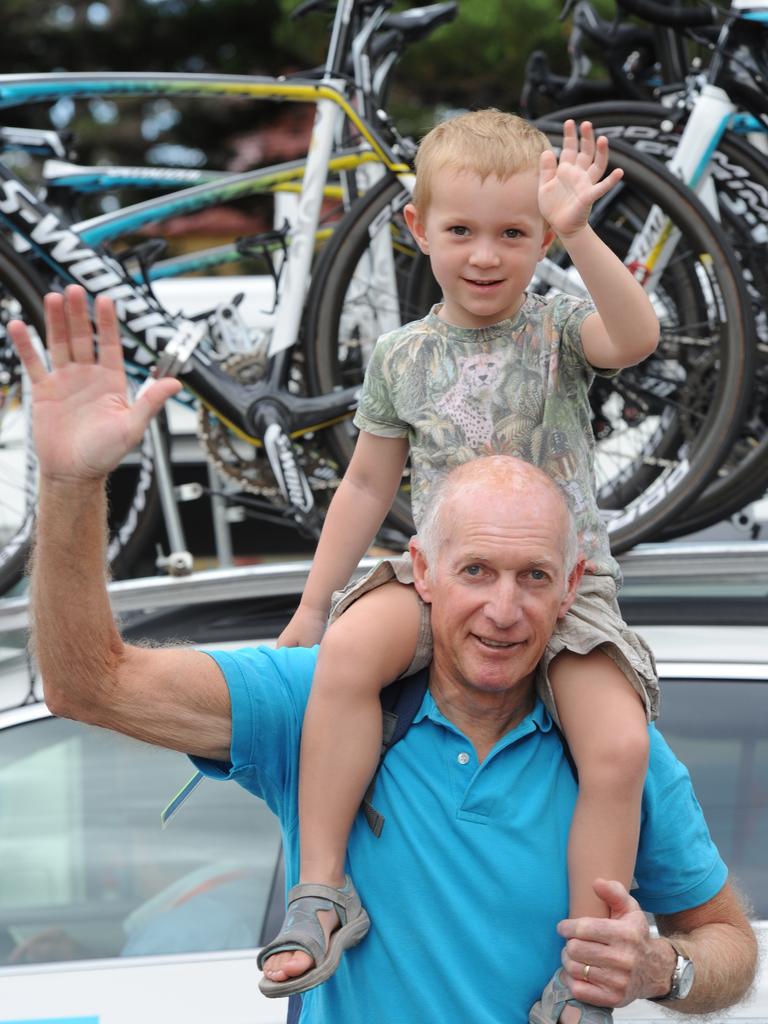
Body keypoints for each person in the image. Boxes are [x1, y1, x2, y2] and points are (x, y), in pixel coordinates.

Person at [9, 290, 758, 1023]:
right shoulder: (322, 700)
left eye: (533, 578)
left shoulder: (615, 749)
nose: (503, 610)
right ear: (420, 573)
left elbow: (730, 944)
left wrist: (664, 967)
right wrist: (74, 485)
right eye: (475, 573)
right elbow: (89, 684)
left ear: (569, 592)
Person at [269, 110, 661, 1021]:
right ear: (417, 229)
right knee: (346, 661)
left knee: (618, 743)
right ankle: (323, 888)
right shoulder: (403, 355)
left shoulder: (559, 328)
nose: (486, 256)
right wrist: (313, 603)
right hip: (441, 579)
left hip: (566, 586)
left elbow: (635, 338)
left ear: (539, 237)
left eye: (515, 234)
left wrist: (579, 233)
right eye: (462, 232)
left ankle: (591, 962)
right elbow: (368, 485)